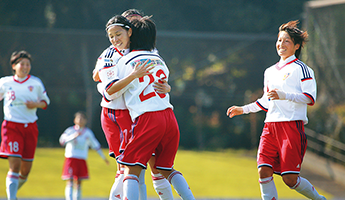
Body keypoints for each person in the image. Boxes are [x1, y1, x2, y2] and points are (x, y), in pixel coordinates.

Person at [226, 20, 326, 200]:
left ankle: (320, 199)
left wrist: (284, 95)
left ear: (296, 46)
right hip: (269, 127)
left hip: (291, 128)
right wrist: (244, 109)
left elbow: (310, 98)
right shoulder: (269, 71)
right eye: (279, 40)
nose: (281, 44)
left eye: (286, 41)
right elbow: (266, 101)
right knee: (263, 170)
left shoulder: (302, 69)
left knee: (290, 179)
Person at [103, 16, 195, 200]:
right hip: (169, 117)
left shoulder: (125, 60)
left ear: (131, 34)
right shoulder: (159, 59)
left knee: (129, 168)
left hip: (148, 118)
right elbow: (162, 84)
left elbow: (109, 91)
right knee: (165, 168)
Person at [93, 10, 173, 200]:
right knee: (127, 169)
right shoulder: (111, 53)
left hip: (139, 113)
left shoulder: (148, 51)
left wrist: (167, 87)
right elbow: (98, 76)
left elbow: (159, 79)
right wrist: (102, 86)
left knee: (143, 168)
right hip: (117, 112)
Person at [0, 50, 50, 200]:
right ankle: (12, 198)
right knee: (14, 166)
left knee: (25, 171)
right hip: (12, 127)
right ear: (14, 66)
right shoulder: (5, 82)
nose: (25, 67)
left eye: (28, 64)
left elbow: (45, 102)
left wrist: (35, 104)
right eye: (22, 64)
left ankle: (12, 189)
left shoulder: (35, 83)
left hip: (30, 127)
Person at [59, 111, 109, 200]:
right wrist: (73, 136)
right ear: (75, 120)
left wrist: (104, 158)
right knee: (69, 180)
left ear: (85, 121)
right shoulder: (70, 130)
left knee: (78, 182)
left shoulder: (88, 133)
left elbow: (95, 145)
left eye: (82, 119)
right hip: (71, 158)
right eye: (78, 118)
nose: (80, 120)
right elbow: (62, 141)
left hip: (81, 159)